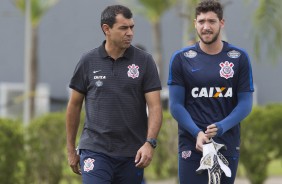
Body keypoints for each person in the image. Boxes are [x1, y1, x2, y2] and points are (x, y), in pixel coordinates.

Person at [66, 5, 162, 184]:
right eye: (123, 28)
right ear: (106, 29)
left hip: (132, 154)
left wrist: (150, 143)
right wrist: (71, 149)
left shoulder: (145, 61)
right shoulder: (88, 61)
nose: (130, 33)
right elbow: (74, 105)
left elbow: (155, 106)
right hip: (95, 149)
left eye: (132, 27)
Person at [168, 0, 254, 183]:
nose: (206, 27)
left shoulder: (239, 58)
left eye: (211, 21)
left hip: (226, 143)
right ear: (195, 24)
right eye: (201, 21)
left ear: (222, 23)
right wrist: (196, 133)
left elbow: (245, 103)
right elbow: (175, 105)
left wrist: (222, 126)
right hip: (192, 144)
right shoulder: (181, 58)